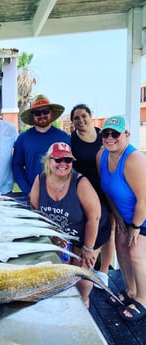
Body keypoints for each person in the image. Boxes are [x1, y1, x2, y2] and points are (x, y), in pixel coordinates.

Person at [30, 142, 111, 308]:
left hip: (91, 231)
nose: (63, 164)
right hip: (66, 231)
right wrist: (52, 235)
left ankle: (84, 303)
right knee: (64, 270)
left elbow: (94, 218)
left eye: (68, 159)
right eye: (58, 159)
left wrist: (88, 248)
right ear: (48, 161)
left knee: (82, 271)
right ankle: (67, 306)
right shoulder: (40, 180)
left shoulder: (80, 183)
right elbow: (35, 211)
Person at [96, 115, 146, 321]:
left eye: (115, 133)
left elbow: (144, 200)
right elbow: (107, 190)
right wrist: (118, 218)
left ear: (126, 135)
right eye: (105, 133)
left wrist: (134, 226)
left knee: (136, 253)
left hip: (142, 216)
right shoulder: (101, 156)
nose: (109, 137)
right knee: (121, 247)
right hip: (125, 215)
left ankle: (143, 299)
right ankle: (131, 290)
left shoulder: (134, 159)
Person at [70, 103, 115, 288]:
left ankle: (104, 272)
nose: (80, 120)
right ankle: (83, 269)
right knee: (87, 229)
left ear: (91, 116)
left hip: (106, 188)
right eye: (76, 118)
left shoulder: (104, 136)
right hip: (85, 192)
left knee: (110, 230)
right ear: (72, 122)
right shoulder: (71, 139)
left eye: (83, 116)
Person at [12, 94, 70, 196]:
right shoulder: (23, 138)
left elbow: (71, 166)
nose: (42, 115)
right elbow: (16, 166)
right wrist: (28, 191)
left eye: (46, 111)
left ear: (51, 112)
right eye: (37, 112)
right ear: (32, 116)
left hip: (61, 194)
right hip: (33, 193)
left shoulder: (64, 137)